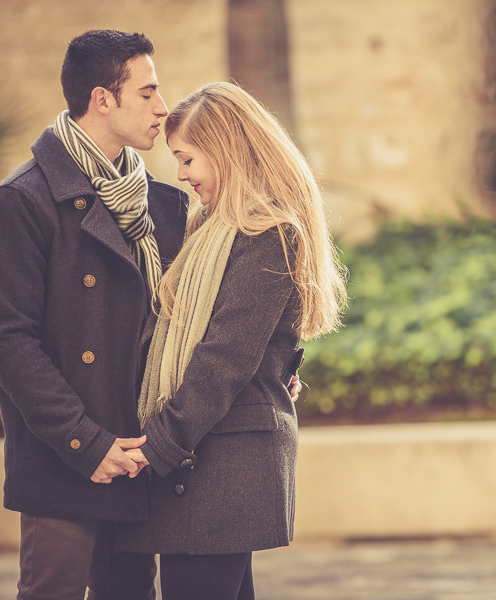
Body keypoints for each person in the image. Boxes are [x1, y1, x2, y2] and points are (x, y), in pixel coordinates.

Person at [0, 31, 300, 599]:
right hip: (67, 457)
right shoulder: (24, 201)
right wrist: (83, 440)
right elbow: (6, 338)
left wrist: (269, 370)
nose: (162, 106)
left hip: (140, 458)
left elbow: (203, 324)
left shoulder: (164, 204)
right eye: (148, 92)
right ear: (104, 99)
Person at [115, 81, 347, 600]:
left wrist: (159, 444)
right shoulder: (211, 229)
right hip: (209, 458)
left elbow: (224, 359)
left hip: (222, 465)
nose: (181, 175)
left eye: (188, 158)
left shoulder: (266, 233)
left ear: (225, 151)